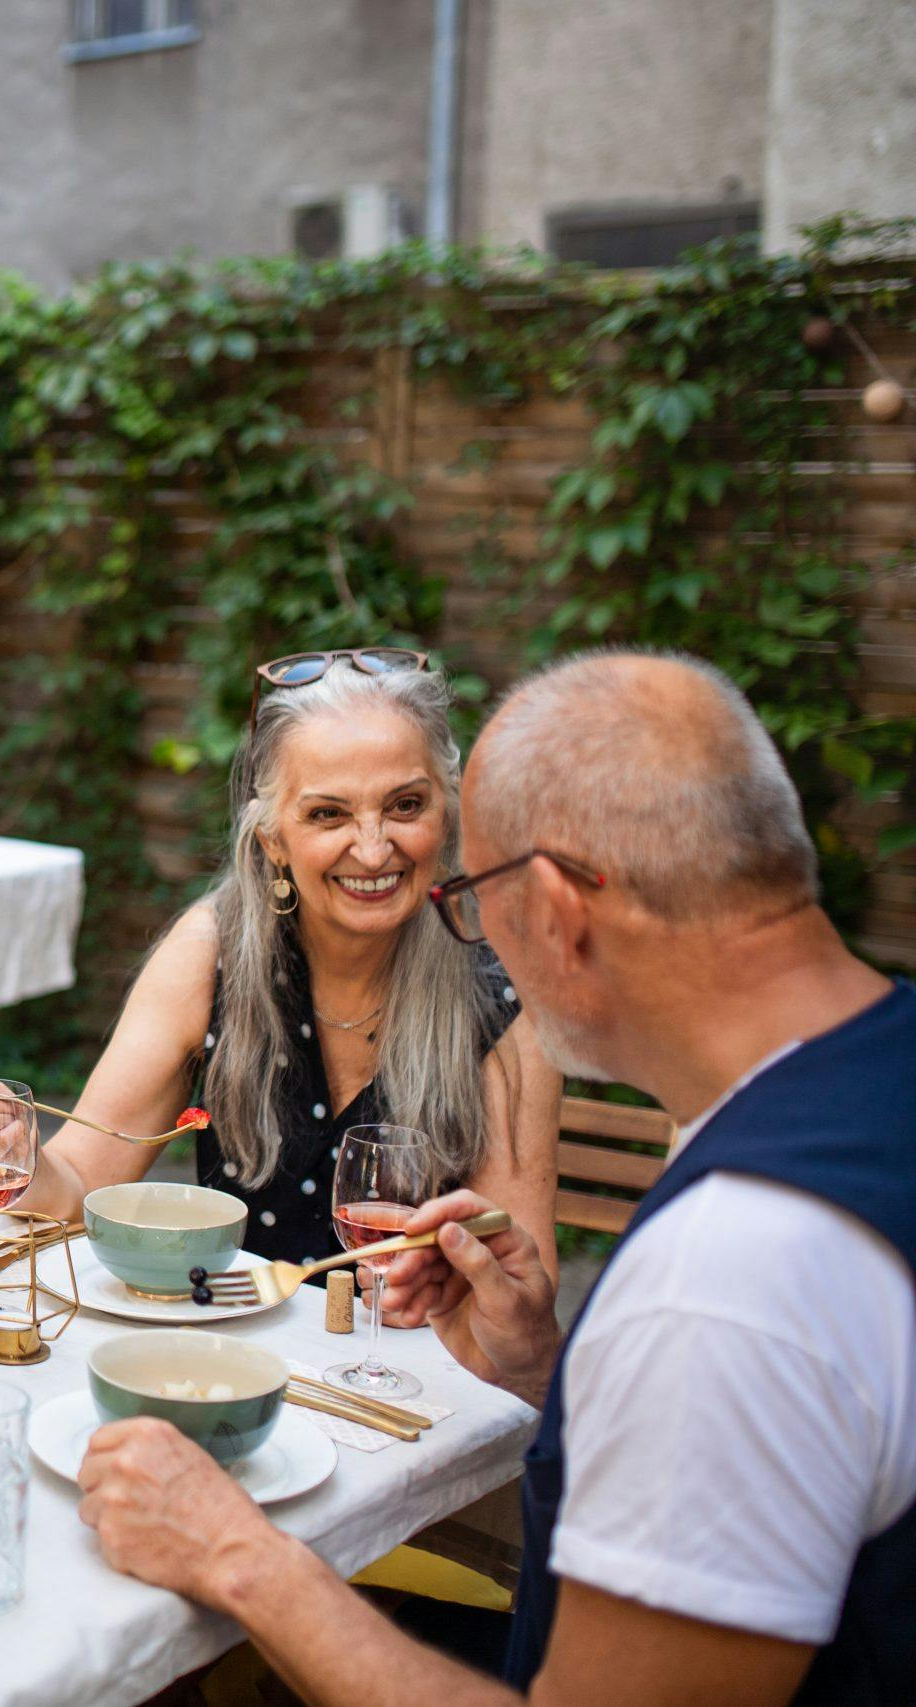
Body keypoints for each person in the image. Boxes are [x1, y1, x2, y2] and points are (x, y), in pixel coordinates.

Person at [76, 650, 916, 1706]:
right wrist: (532, 1367)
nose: (453, 922)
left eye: (468, 892)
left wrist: (237, 1557)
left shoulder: (729, 1281)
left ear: (553, 912)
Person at [0, 650, 560, 1288]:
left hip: (412, 1375)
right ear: (272, 839)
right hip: (227, 1362)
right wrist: (14, 1152)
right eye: (329, 814)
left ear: (446, 813)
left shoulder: (502, 999)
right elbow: (77, 1189)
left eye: (406, 805)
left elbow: (517, 1296)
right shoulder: (213, 952)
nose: (375, 847)